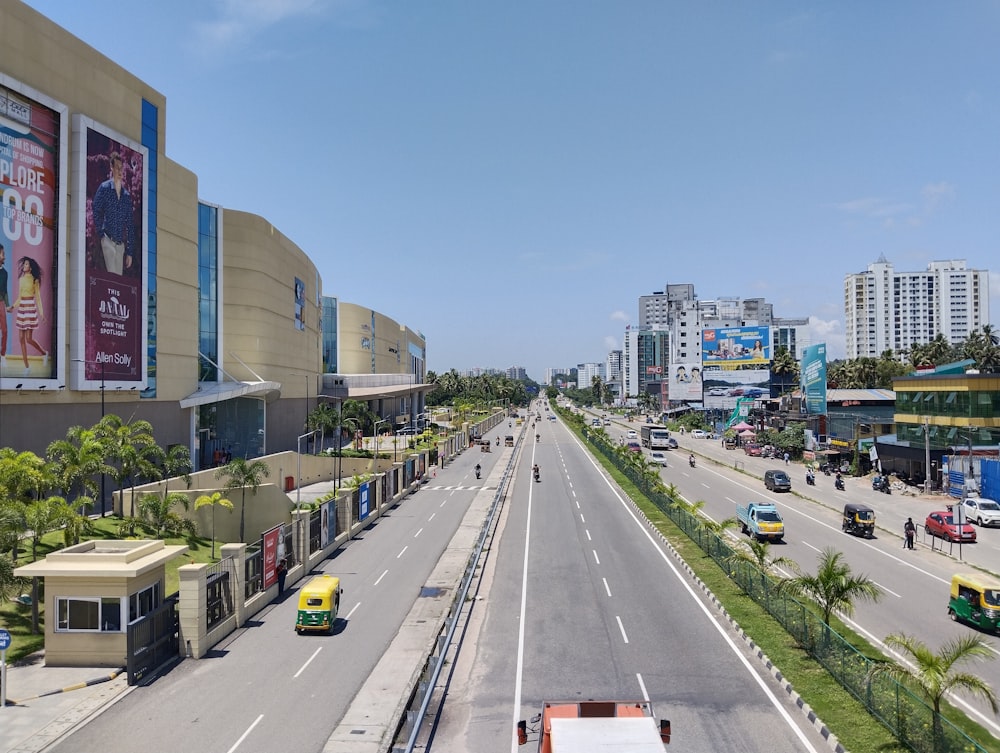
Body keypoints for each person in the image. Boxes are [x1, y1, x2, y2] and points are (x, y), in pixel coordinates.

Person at [91, 151, 136, 275]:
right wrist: (101, 235)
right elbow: (96, 208)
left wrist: (130, 252)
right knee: (111, 278)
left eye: (121, 168)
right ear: (112, 168)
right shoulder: (105, 188)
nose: (120, 171)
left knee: (117, 283)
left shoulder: (126, 196)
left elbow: (130, 225)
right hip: (108, 240)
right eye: (117, 168)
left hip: (120, 246)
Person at [8, 256, 47, 376]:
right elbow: (20, 297)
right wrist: (13, 307)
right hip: (22, 307)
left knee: (28, 339)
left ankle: (44, 353)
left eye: (26, 265)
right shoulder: (21, 279)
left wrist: (41, 313)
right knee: (21, 339)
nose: (24, 266)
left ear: (30, 268)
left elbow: (38, 298)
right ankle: (27, 367)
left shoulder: (34, 280)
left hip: (30, 307)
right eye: (24, 264)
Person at [0, 243, 8, 368]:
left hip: (1, 302)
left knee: (5, 330)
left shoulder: (5, 273)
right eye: (2, 254)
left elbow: (5, 291)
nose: (4, 257)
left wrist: (7, 305)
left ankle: (2, 355)